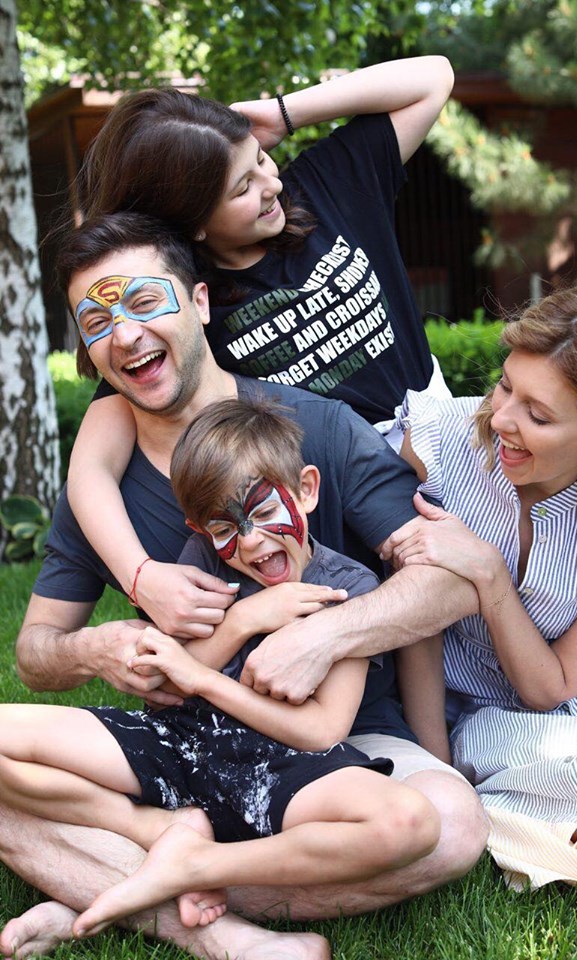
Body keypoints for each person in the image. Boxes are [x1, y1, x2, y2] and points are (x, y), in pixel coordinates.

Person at [0, 212, 486, 960]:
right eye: (96, 322)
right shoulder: (100, 486)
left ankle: (98, 881)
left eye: (145, 302)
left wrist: (325, 634)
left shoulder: (314, 429)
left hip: (345, 741)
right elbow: (36, 653)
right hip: (191, 738)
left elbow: (451, 580)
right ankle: (216, 927)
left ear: (198, 301)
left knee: (448, 827)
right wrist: (93, 650)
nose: (125, 336)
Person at [0, 396, 440, 943]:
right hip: (181, 742)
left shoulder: (347, 587)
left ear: (306, 489)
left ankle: (195, 865)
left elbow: (322, 731)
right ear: (201, 528)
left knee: (410, 822)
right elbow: (166, 679)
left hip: (286, 769)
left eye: (263, 511)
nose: (250, 540)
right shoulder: (207, 556)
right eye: (225, 526)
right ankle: (157, 829)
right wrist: (243, 620)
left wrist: (205, 681)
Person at [64, 55, 456, 635]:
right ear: (193, 223)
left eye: (262, 161)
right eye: (242, 186)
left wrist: (280, 115)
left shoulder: (324, 188)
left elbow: (434, 79)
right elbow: (90, 470)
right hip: (349, 491)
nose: (270, 184)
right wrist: (140, 577)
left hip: (451, 445)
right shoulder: (184, 307)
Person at [382, 282, 577, 894]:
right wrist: (436, 767)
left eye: (538, 415)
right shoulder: (439, 443)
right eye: (504, 386)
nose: (501, 419)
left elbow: (551, 687)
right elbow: (410, 608)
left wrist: (490, 574)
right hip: (472, 711)